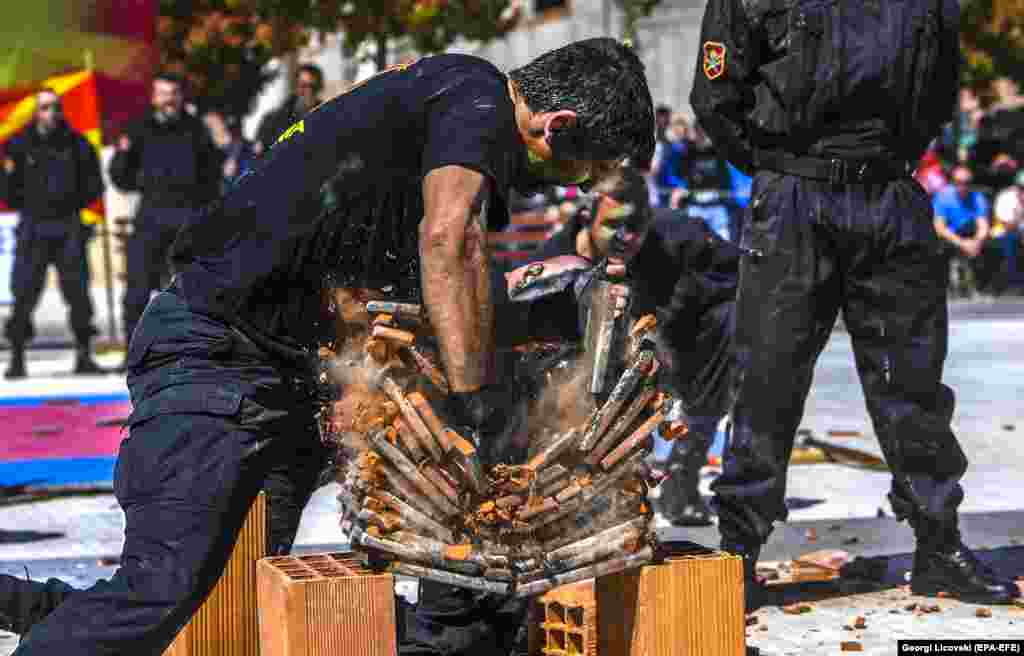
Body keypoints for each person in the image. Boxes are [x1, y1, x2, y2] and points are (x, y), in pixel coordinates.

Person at [0, 40, 652, 655]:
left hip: (280, 371)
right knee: (160, 591)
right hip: (214, 353)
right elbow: (450, 242)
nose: (568, 191)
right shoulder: (473, 95)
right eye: (580, 175)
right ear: (557, 126)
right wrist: (473, 401)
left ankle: (26, 608)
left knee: (228, 595)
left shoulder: (427, 127)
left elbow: (429, 293)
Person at [692, 0, 1020, 611]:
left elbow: (938, 92)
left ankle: (938, 545)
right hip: (793, 200)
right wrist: (783, 172)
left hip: (890, 197)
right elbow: (716, 101)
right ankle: (738, 551)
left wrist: (878, 166)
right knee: (768, 382)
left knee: (913, 386)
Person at [525, 166, 741, 527]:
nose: (626, 237)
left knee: (731, 320)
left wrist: (676, 310)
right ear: (586, 218)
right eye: (614, 225)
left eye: (636, 227)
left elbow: (744, 273)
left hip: (679, 347)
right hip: (587, 369)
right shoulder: (553, 267)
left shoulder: (678, 237)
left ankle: (682, 477)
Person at [109, 72, 223, 347]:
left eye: (173, 94)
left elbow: (212, 176)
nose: (168, 100)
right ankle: (133, 350)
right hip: (150, 218)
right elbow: (120, 175)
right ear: (154, 98)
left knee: (193, 291)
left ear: (181, 96)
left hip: (187, 220)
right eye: (163, 94)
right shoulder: (139, 129)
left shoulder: (196, 130)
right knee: (137, 291)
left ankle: (194, 350)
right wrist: (136, 173)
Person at [0, 89, 104, 379]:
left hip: (68, 225)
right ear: (36, 112)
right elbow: (6, 188)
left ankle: (84, 355)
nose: (52, 113)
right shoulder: (18, 145)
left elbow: (94, 184)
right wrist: (30, 203)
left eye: (56, 107)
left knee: (78, 292)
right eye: (45, 108)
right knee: (23, 293)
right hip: (33, 225)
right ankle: (17, 358)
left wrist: (70, 202)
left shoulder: (77, 144)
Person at [933, 165, 991, 295]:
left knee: (993, 245)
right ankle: (948, 287)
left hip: (970, 235)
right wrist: (962, 243)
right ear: (953, 182)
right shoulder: (943, 197)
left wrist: (977, 241)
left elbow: (983, 225)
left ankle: (984, 286)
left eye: (967, 183)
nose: (963, 186)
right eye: (959, 182)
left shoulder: (978, 198)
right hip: (949, 236)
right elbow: (939, 228)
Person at [255, 63, 324, 154]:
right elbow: (259, 154)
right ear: (296, 87)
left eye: (313, 87)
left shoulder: (326, 117)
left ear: (319, 88)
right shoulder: (273, 121)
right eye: (303, 86)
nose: (308, 91)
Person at [202, 109, 256, 192]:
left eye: (218, 118)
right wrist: (225, 177)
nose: (219, 122)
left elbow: (254, 150)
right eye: (213, 123)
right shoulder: (214, 158)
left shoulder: (240, 140)